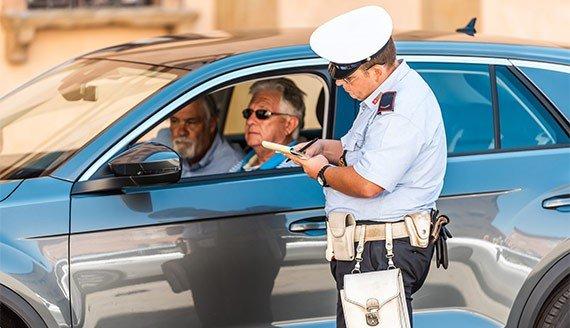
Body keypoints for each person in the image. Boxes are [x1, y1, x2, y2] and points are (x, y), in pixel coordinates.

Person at [285, 6, 447, 327]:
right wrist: (323, 148)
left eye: (348, 76)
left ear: (375, 69)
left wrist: (320, 171)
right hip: (371, 250)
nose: (342, 84)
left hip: (382, 252)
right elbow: (354, 150)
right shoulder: (380, 95)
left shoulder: (399, 109)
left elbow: (368, 184)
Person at [229, 78, 306, 172]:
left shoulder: (297, 169)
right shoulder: (241, 164)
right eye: (248, 113)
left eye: (262, 113)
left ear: (289, 125)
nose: (249, 121)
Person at [155, 96, 242, 177]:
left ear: (211, 125)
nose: (181, 132)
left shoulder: (233, 167)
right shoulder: (162, 143)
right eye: (174, 121)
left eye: (191, 122)